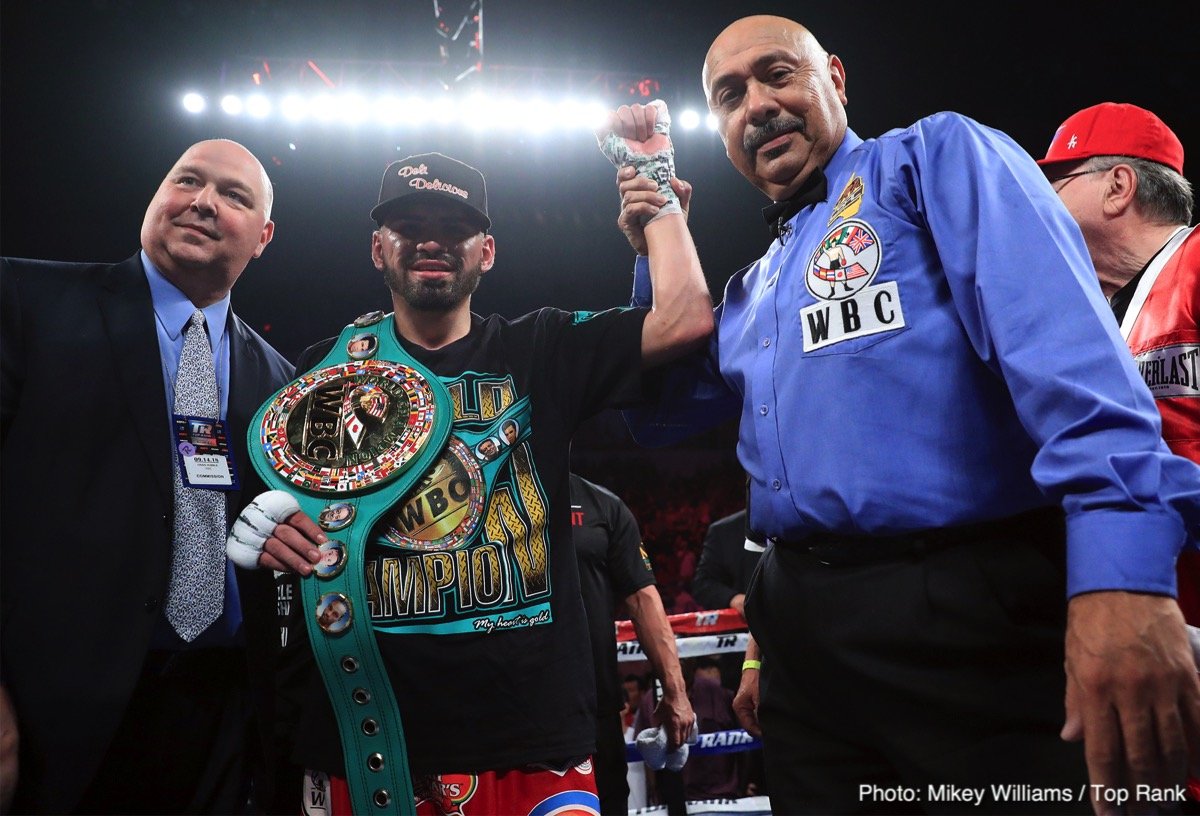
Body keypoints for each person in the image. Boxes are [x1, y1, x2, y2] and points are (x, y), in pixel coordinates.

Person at [615, 15, 1200, 815]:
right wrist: (659, 234)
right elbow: (657, 410)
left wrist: (1123, 578)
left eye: (778, 74)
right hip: (804, 641)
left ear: (837, 80)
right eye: (728, 95)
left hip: (965, 623)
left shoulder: (934, 158)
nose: (756, 105)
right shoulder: (756, 288)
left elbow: (1069, 361)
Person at [255, 104, 712, 816]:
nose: (432, 243)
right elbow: (280, 515)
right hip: (369, 736)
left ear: (487, 252)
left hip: (529, 738)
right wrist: (270, 525)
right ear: (378, 249)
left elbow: (684, 317)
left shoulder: (541, 349)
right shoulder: (328, 369)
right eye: (410, 228)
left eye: (456, 230)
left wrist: (656, 193)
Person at [0, 139, 323, 814]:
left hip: (225, 708)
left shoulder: (281, 381)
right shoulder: (25, 300)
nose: (203, 202)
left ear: (263, 236)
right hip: (45, 706)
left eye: (233, 196)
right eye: (187, 181)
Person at [1037, 102, 1199, 627]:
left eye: (1056, 184)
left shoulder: (1195, 263)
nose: (1040, 204)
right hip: (1160, 614)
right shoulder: (1105, 313)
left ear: (1118, 186)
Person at [570, 471, 694, 816]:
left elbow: (642, 598)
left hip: (594, 710)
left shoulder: (603, 506)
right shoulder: (485, 501)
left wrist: (676, 690)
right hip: (513, 713)